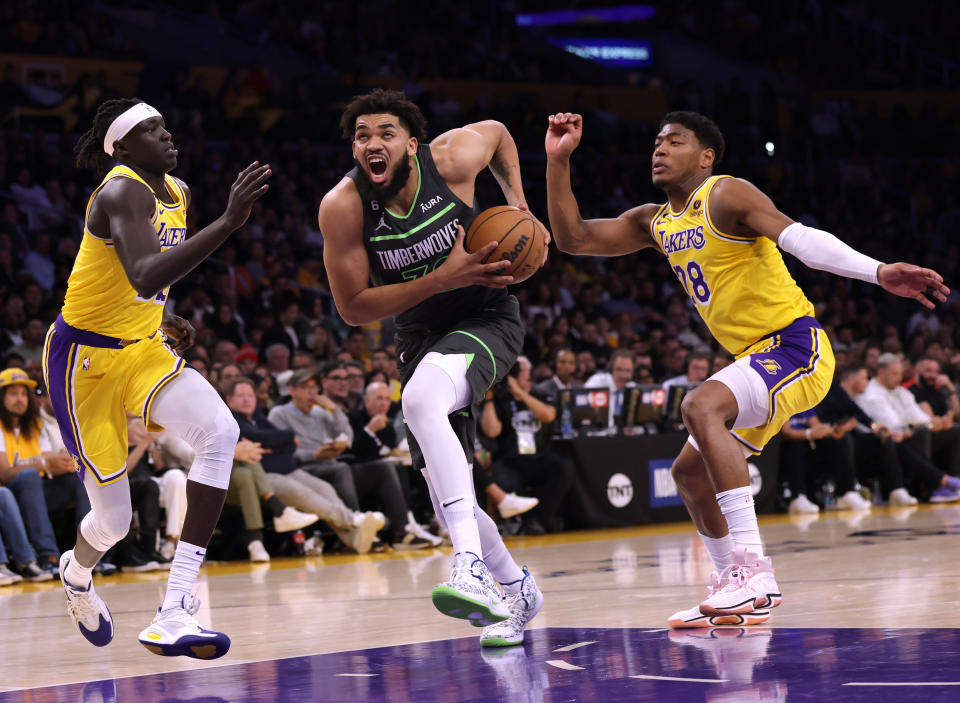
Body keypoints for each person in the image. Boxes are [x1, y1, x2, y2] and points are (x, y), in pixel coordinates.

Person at [545, 110, 949, 629]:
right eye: (656, 141)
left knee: (699, 404)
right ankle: (731, 591)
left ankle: (754, 570)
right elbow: (572, 238)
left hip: (796, 346)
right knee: (688, 475)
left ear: (706, 156)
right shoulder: (656, 221)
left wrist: (877, 272)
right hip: (756, 357)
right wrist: (559, 162)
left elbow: (800, 239)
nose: (659, 149)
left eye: (675, 141)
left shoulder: (725, 194)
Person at [318, 88, 546, 647]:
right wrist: (444, 277)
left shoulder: (451, 160)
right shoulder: (343, 206)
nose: (373, 143)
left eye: (386, 133)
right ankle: (516, 591)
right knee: (447, 489)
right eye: (362, 135)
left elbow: (497, 130)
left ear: (413, 144)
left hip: (488, 314)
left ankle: (468, 566)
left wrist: (517, 202)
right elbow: (351, 308)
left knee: (419, 403)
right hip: (421, 332)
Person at [43, 98, 270, 658]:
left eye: (165, 125)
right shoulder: (121, 190)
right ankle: (75, 573)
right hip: (83, 364)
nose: (166, 136)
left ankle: (174, 608)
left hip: (142, 348)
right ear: (121, 149)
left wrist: (163, 317)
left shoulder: (180, 191)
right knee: (114, 523)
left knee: (220, 432)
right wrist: (229, 222)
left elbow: (133, 281)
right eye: (150, 130)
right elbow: (145, 273)